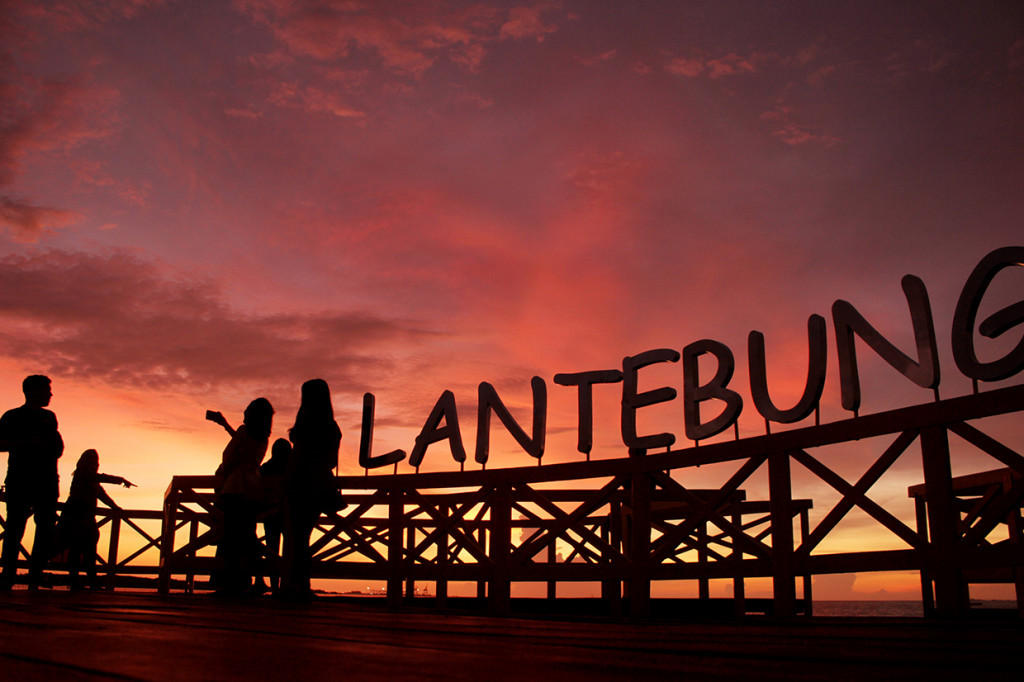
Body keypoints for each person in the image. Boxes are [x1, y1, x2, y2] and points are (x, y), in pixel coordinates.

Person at [0, 375, 64, 589]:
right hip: (20, 479)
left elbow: (57, 448)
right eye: (46, 390)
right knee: (15, 528)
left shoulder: (50, 416)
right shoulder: (12, 416)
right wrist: (27, 442)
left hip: (46, 481)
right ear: (32, 391)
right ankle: (8, 575)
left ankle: (35, 574)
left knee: (44, 528)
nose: (50, 394)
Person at [281, 379, 341, 600]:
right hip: (321, 484)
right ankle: (302, 586)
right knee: (303, 537)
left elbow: (297, 458)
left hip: (300, 484)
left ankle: (294, 585)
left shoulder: (304, 424)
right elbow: (332, 461)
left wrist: (287, 481)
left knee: (296, 537)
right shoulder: (331, 427)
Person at [216, 398, 274, 596]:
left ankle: (231, 581)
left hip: (235, 486)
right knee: (249, 534)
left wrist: (225, 471)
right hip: (254, 486)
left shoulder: (243, 432)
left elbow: (228, 455)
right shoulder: (264, 437)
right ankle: (258, 577)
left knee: (233, 535)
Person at [58, 449, 133, 590]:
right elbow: (100, 478)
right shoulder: (82, 474)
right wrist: (120, 480)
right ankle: (77, 582)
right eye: (90, 459)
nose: (93, 462)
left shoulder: (92, 479)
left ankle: (91, 582)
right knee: (77, 548)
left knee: (89, 549)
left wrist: (115, 507)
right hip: (76, 517)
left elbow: (102, 495)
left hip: (87, 518)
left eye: (94, 460)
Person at [259, 438, 291, 595]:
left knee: (271, 548)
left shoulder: (265, 468)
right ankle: (289, 585)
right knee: (291, 549)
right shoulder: (292, 468)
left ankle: (274, 586)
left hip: (269, 513)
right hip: (288, 514)